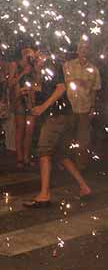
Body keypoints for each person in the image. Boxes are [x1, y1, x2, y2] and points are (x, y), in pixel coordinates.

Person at [23, 51, 92, 208]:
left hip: (57, 117)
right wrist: (33, 90)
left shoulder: (51, 66)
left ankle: (44, 194)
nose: (35, 58)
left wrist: (42, 108)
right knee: (61, 154)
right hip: (64, 116)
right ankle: (84, 187)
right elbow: (49, 89)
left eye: (37, 55)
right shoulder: (45, 70)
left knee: (44, 152)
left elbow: (61, 89)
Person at [64, 40, 101, 170]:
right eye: (81, 48)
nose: (83, 51)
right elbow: (65, 84)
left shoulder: (94, 70)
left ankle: (80, 164)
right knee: (67, 135)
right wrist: (77, 82)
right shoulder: (68, 65)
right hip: (70, 106)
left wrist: (92, 107)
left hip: (85, 107)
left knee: (83, 137)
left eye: (86, 49)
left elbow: (94, 91)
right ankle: (66, 161)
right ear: (78, 51)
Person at [7, 47, 39, 169]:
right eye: (28, 57)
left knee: (30, 131)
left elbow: (38, 83)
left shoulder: (33, 67)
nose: (30, 59)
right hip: (19, 100)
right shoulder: (15, 65)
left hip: (31, 100)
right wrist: (22, 74)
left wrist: (36, 69)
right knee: (20, 129)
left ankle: (26, 157)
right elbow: (10, 84)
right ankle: (19, 157)